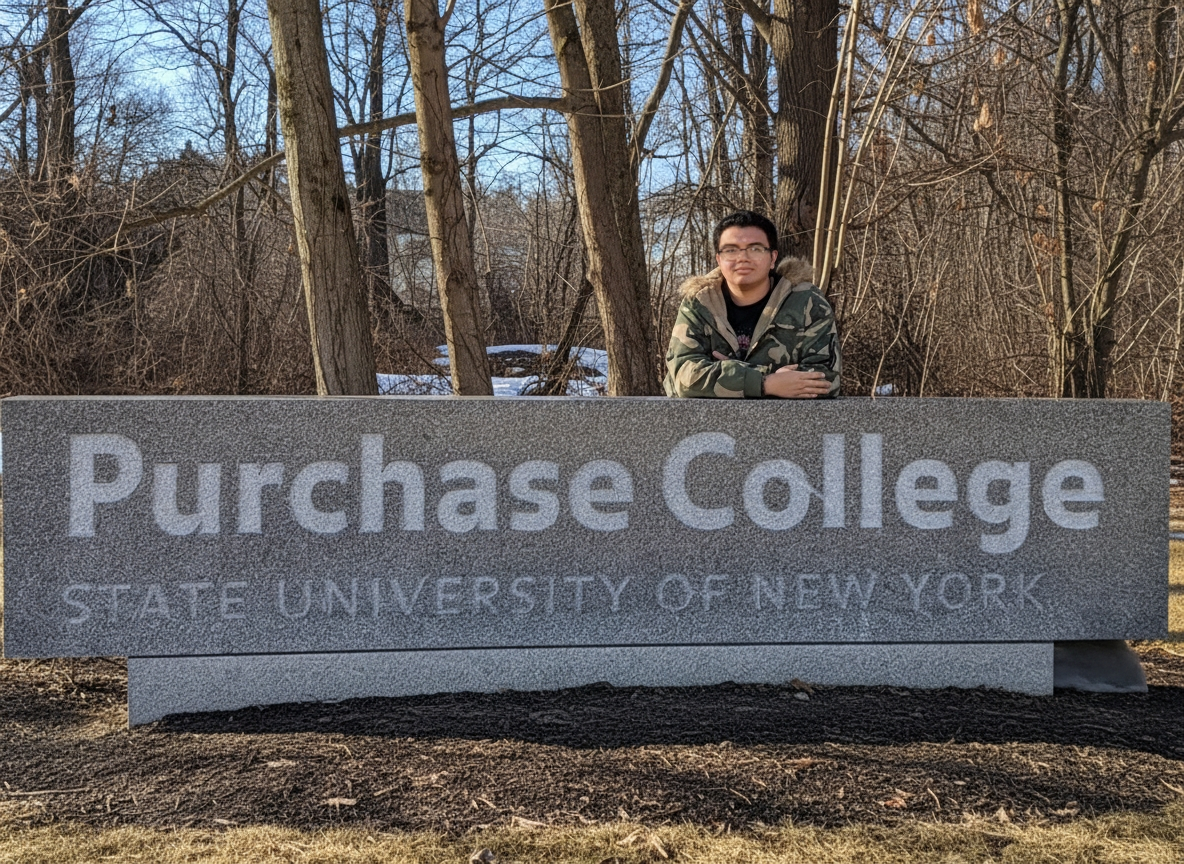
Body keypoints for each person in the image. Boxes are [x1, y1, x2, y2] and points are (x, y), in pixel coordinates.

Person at [663, 210, 841, 399]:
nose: (742, 258)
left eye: (755, 249)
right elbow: (683, 378)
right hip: (709, 417)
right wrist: (767, 382)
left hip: (784, 417)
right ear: (719, 259)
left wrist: (727, 375)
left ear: (772, 258)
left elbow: (826, 380)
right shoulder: (699, 302)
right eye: (731, 250)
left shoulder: (806, 301)